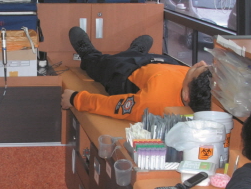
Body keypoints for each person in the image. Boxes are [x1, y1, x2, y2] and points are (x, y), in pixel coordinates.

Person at [60, 26, 213, 120]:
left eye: (196, 69)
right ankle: (134, 52)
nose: (201, 62)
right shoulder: (200, 86)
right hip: (160, 63)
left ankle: (88, 54)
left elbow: (112, 106)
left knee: (102, 64)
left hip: (128, 75)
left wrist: (75, 98)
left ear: (186, 94)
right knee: (143, 56)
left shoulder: (152, 102)